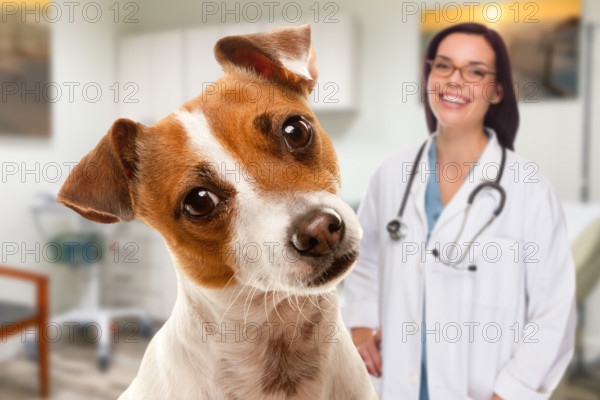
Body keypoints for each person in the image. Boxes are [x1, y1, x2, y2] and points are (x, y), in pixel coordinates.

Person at [342, 22, 576, 400]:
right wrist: (361, 327)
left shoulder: (529, 189)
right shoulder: (390, 175)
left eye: (476, 71)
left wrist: (510, 392)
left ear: (497, 90)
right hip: (393, 384)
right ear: (429, 75)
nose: (455, 80)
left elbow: (554, 312)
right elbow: (364, 262)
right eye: (444, 66)